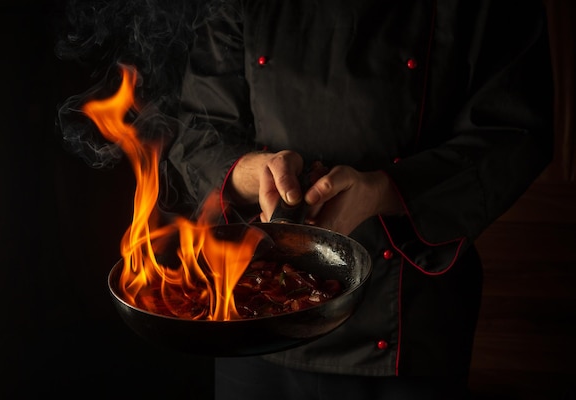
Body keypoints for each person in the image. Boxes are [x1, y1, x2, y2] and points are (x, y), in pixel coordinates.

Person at [164, 0, 555, 398]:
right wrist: (252, 172)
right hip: (251, 317)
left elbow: (515, 132)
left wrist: (385, 190)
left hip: (409, 320)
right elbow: (199, 128)